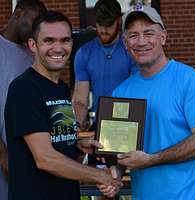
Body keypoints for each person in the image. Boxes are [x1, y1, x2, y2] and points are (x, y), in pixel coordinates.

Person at [4, 11, 121, 200]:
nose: (58, 48)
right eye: (49, 40)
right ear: (33, 45)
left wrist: (78, 146)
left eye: (65, 40)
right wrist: (99, 175)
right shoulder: (24, 89)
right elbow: (45, 159)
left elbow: (62, 142)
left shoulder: (61, 89)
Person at [111, 4, 195, 200]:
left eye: (149, 33)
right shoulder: (121, 91)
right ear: (125, 44)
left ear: (163, 37)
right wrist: (114, 173)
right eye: (133, 35)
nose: (141, 41)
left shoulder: (191, 81)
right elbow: (120, 150)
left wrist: (151, 160)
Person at [0, 1, 47, 200]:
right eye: (33, 23)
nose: (34, 31)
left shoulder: (32, 54)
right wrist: (4, 158)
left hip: (33, 159)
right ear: (18, 13)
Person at [72, 0, 137, 131]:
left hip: (130, 122)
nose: (103, 30)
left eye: (108, 25)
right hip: (100, 123)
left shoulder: (132, 49)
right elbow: (80, 100)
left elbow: (139, 92)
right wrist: (77, 128)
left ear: (119, 20)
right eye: (100, 24)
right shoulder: (84, 53)